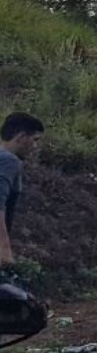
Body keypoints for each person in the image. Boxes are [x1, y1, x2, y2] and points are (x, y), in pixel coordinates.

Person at [0, 113, 43, 267]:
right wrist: (4, 249)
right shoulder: (8, 161)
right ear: (21, 137)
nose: (35, 146)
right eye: (34, 140)